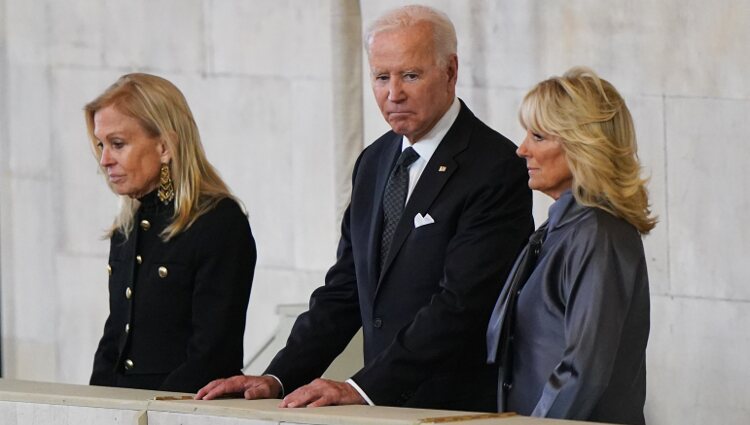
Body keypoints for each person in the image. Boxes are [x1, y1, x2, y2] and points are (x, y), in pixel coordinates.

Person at [197, 5, 532, 411]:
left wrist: (362, 388)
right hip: (382, 410)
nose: (394, 94)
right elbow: (345, 289)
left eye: (410, 75)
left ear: (450, 71)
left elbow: (461, 305)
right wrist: (278, 377)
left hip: (456, 409)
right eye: (381, 77)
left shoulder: (494, 167)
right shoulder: (373, 162)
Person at [486, 67, 656, 424]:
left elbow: (584, 369)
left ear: (582, 145)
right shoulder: (564, 228)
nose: (522, 149)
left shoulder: (597, 235)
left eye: (538, 136)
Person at [87, 73, 256, 393]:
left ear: (164, 146)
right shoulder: (127, 228)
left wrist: (155, 411)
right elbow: (114, 341)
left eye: (118, 144)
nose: (105, 160)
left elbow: (213, 353)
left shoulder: (218, 222)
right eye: (101, 145)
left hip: (182, 409)